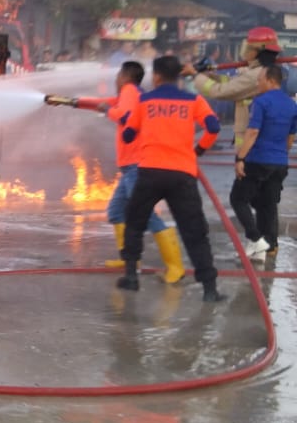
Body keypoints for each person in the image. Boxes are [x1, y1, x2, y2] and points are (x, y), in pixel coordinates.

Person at [119, 53, 223, 302]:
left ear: (156, 77)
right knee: (194, 231)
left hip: (150, 172)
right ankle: (210, 289)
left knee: (135, 222)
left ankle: (131, 276)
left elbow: (128, 134)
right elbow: (213, 127)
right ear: (178, 76)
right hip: (182, 174)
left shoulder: (145, 100)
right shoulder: (194, 100)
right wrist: (198, 150)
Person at [106, 61, 185, 283]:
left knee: (146, 214)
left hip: (135, 166)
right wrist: (77, 103)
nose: (116, 79)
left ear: (125, 76)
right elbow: (110, 105)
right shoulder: (134, 93)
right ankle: (129, 259)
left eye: (118, 75)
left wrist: (106, 110)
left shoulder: (129, 91)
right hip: (130, 167)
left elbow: (123, 116)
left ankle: (175, 266)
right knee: (116, 211)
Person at [230, 61, 297, 258]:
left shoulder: (261, 102)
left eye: (259, 80)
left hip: (258, 159)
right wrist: (280, 154)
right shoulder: (291, 104)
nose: (257, 83)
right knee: (267, 204)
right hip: (280, 162)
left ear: (270, 80)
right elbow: (290, 138)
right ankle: (269, 246)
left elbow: (252, 132)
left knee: (238, 199)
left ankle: (256, 238)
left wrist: (240, 158)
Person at [183, 26, 281, 148]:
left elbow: (221, 91)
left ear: (258, 51)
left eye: (248, 47)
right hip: (252, 139)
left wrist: (195, 75)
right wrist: (210, 76)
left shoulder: (256, 75)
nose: (245, 51)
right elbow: (233, 82)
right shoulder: (260, 71)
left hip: (250, 144)